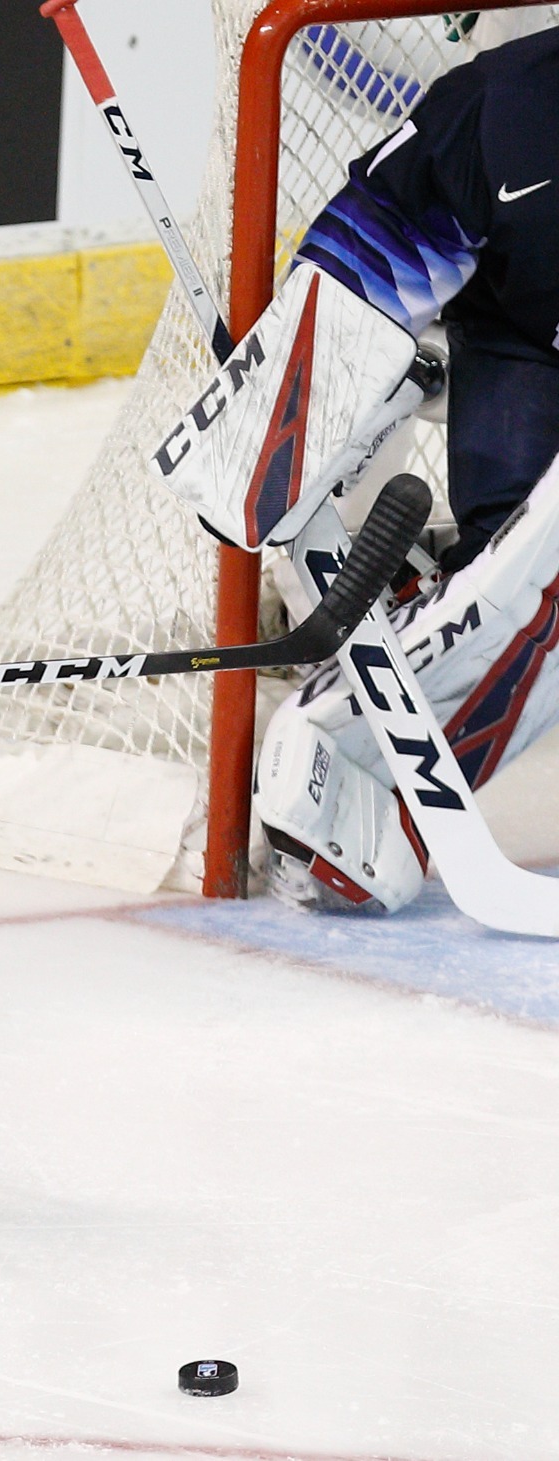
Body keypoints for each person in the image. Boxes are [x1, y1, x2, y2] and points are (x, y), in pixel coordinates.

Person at [245, 25, 559, 913]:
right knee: (523, 564)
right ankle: (368, 743)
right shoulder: (510, 110)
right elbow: (367, 257)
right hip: (530, 344)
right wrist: (271, 431)